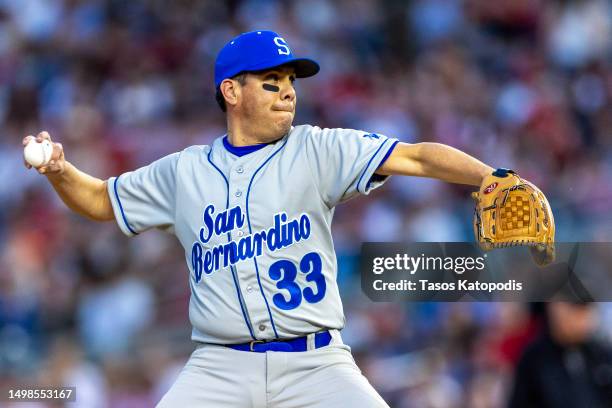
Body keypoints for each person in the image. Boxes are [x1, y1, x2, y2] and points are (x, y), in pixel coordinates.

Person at [24, 30, 493, 407]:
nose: (288, 92)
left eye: (291, 82)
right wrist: (59, 170)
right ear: (231, 90)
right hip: (218, 368)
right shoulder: (184, 172)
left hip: (318, 363)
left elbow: (417, 158)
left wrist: (492, 177)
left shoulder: (317, 149)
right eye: (272, 81)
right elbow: (102, 200)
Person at [508, 302, 612, 408]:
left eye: (586, 308)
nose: (581, 317)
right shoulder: (534, 358)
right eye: (576, 308)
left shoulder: (601, 355)